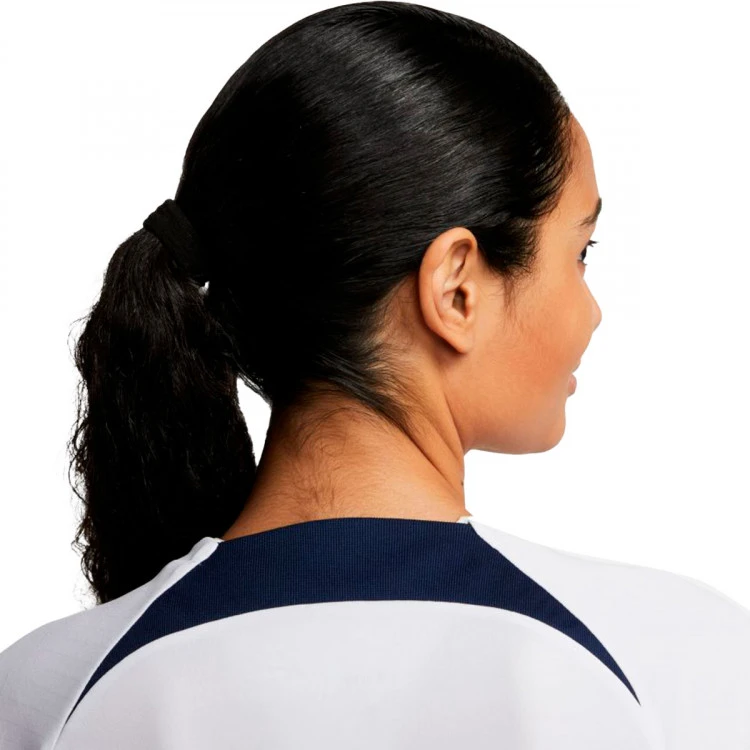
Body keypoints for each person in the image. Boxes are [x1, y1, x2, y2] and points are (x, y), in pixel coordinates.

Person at [1, 2, 748, 748]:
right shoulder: (678, 664)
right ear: (457, 288)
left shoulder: (44, 694)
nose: (593, 311)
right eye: (580, 252)